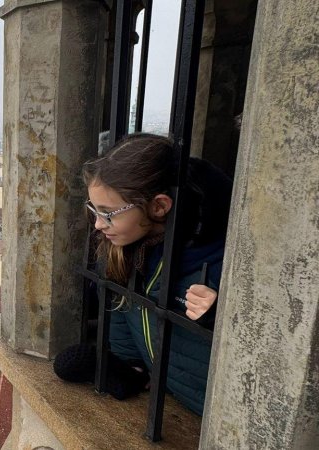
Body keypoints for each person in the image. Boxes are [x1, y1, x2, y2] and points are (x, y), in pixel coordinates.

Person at [53, 133, 232, 415]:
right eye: (94, 210)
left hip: (219, 413)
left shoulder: (224, 258)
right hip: (173, 398)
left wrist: (222, 316)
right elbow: (121, 305)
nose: (98, 224)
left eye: (108, 213)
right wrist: (129, 366)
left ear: (159, 207)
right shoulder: (126, 248)